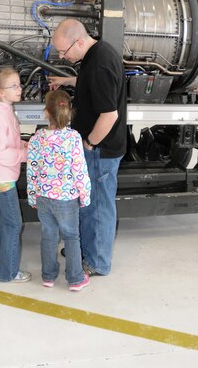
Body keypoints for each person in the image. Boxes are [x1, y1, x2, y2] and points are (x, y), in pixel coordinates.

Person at [48, 19, 127, 276]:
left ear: (79, 41)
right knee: (88, 203)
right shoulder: (95, 54)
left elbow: (109, 115)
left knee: (98, 207)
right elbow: (91, 83)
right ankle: (86, 250)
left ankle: (96, 262)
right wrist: (70, 81)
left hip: (100, 150)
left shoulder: (100, 65)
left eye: (64, 51)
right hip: (97, 148)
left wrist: (89, 143)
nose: (63, 56)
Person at [27, 89, 91, 292]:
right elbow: (79, 170)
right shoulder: (73, 138)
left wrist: (32, 195)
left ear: (46, 113)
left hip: (44, 197)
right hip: (66, 198)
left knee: (48, 236)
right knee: (72, 237)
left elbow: (32, 169)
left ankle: (48, 276)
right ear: (68, 111)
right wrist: (85, 195)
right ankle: (75, 278)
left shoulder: (37, 138)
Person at [0, 67, 31, 283]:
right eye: (14, 86)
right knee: (14, 223)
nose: (20, 89)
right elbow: (1, 152)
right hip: (2, 178)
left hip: (0, 175)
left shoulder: (5, 111)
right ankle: (8, 272)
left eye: (19, 84)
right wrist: (24, 154)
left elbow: (7, 142)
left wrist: (24, 144)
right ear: (1, 92)